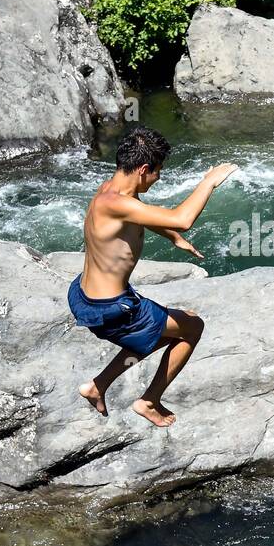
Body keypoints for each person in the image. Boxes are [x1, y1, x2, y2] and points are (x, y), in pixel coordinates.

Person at [69, 126, 238, 427]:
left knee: (160, 332)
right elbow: (183, 219)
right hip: (112, 309)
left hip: (84, 296)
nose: (159, 178)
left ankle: (97, 386)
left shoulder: (110, 190)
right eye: (158, 172)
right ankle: (149, 401)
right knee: (192, 327)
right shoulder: (118, 204)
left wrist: (172, 237)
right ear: (144, 169)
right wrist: (208, 182)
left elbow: (139, 213)